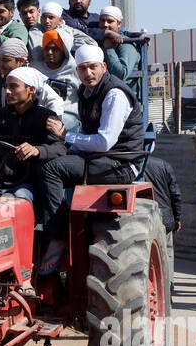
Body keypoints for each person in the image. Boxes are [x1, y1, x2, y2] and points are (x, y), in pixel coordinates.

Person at [36, 45, 147, 271]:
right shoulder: (86, 93)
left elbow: (105, 141)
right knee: (44, 163)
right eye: (82, 68)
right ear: (76, 71)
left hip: (119, 164)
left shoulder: (114, 94)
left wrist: (67, 136)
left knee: (51, 169)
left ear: (104, 67)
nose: (88, 73)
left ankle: (57, 236)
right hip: (99, 159)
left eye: (93, 67)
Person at [0, 69, 65, 203]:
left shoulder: (46, 117)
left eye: (14, 87)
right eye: (6, 87)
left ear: (31, 89)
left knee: (19, 200)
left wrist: (37, 150)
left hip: (30, 186)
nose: (7, 91)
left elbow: (60, 149)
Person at [0, 37, 65, 116]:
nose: (0, 64)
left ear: (21, 61)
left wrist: (51, 122)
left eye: (6, 60)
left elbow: (56, 102)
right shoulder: (6, 83)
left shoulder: (31, 78)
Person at [141, 156, 184, 267]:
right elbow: (175, 194)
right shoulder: (163, 165)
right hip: (165, 218)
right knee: (167, 252)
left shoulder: (130, 165)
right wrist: (177, 217)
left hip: (142, 217)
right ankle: (169, 283)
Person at [99, 6, 140, 81]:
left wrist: (109, 49)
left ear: (119, 24)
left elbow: (121, 75)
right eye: (102, 20)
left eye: (110, 21)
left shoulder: (127, 44)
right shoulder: (101, 41)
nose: (105, 24)